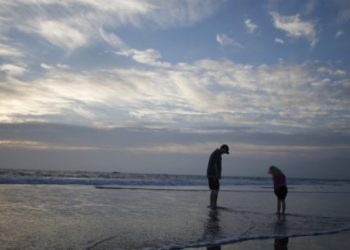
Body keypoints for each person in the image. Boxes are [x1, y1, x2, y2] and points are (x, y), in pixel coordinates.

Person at [207, 144, 229, 209]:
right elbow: (215, 164)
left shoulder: (216, 153)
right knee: (216, 190)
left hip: (210, 174)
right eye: (225, 151)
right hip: (213, 175)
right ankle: (214, 205)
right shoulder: (217, 154)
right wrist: (217, 175)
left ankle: (212, 204)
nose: (224, 153)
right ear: (223, 148)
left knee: (213, 190)